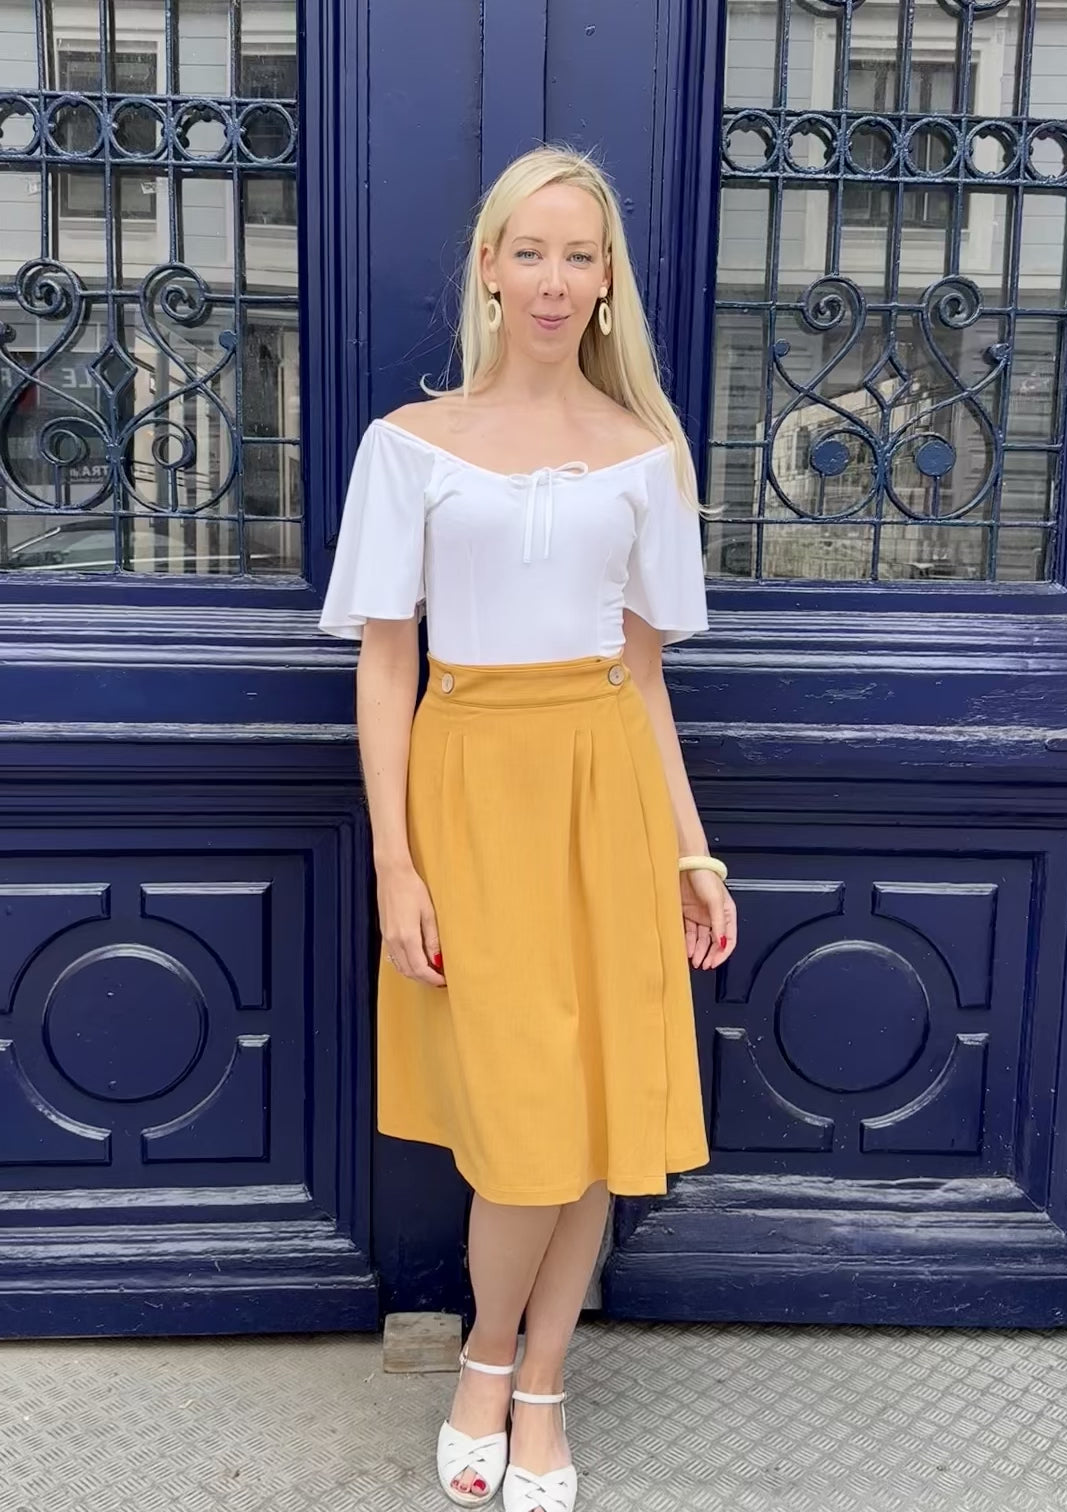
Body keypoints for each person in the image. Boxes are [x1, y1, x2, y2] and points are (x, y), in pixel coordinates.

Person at [318, 143, 737, 1512]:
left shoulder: (646, 454)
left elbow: (645, 678)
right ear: (490, 270)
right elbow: (386, 660)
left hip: (607, 790)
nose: (555, 280)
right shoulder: (408, 446)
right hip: (473, 793)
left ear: (607, 282)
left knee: (598, 1109)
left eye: (580, 255)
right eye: (531, 252)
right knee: (520, 1121)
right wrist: (396, 863)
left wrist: (691, 850)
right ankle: (485, 1356)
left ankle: (537, 1379)